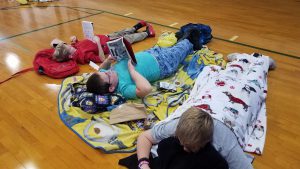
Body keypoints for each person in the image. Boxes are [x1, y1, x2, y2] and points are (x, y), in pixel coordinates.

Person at [136, 53, 276, 169]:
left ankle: (261, 62)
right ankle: (239, 62)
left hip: (232, 113)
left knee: (251, 87)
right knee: (223, 79)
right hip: (212, 100)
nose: (184, 149)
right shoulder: (176, 125)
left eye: (190, 148)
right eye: (181, 142)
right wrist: (143, 165)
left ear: (206, 141)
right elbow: (145, 137)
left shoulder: (225, 142)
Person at [86, 28, 202, 99]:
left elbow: (100, 70)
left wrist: (107, 61)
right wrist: (132, 71)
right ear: (111, 88)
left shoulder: (105, 75)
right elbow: (146, 89)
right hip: (164, 64)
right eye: (107, 75)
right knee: (190, 38)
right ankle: (189, 41)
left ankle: (184, 41)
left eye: (105, 72)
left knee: (174, 47)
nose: (108, 71)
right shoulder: (124, 88)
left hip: (152, 52)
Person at [51, 20, 155, 64]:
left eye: (68, 44)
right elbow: (101, 59)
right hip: (107, 45)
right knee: (129, 38)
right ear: (70, 56)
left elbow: (55, 42)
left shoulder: (74, 50)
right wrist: (98, 45)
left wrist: (76, 40)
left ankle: (135, 27)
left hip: (106, 37)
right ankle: (147, 33)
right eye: (69, 47)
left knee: (121, 32)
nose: (70, 45)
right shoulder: (84, 56)